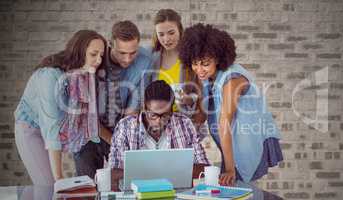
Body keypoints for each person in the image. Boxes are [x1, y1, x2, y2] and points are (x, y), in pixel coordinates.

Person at [178, 23, 283, 186]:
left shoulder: (232, 80)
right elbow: (204, 112)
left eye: (205, 63)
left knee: (242, 187)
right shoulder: (208, 75)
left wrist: (229, 169)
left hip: (247, 141)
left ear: (218, 58)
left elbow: (224, 122)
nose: (199, 69)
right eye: (195, 63)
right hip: (231, 143)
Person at [14, 30, 106, 184]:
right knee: (49, 185)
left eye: (101, 55)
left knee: (47, 188)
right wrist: (59, 178)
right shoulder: (49, 76)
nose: (98, 60)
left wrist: (115, 141)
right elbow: (51, 127)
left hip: (54, 132)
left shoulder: (83, 76)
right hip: (32, 129)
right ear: (79, 51)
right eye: (93, 54)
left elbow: (88, 122)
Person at [72, 20, 154, 178]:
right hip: (87, 133)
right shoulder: (95, 62)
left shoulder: (145, 61)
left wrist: (123, 140)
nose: (128, 59)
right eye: (122, 53)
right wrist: (115, 141)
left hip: (118, 128)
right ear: (110, 45)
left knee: (127, 180)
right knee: (88, 185)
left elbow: (134, 107)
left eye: (133, 52)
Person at [108, 80, 209, 169]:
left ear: (172, 109)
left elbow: (203, 166)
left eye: (165, 115)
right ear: (144, 108)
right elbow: (114, 171)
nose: (159, 121)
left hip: (176, 190)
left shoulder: (185, 124)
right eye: (153, 115)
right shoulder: (125, 127)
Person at [149, 8, 207, 137]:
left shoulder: (192, 58)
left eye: (171, 33)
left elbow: (203, 97)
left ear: (180, 30)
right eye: (161, 34)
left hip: (186, 127)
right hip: (159, 129)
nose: (166, 39)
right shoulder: (152, 58)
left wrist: (193, 131)